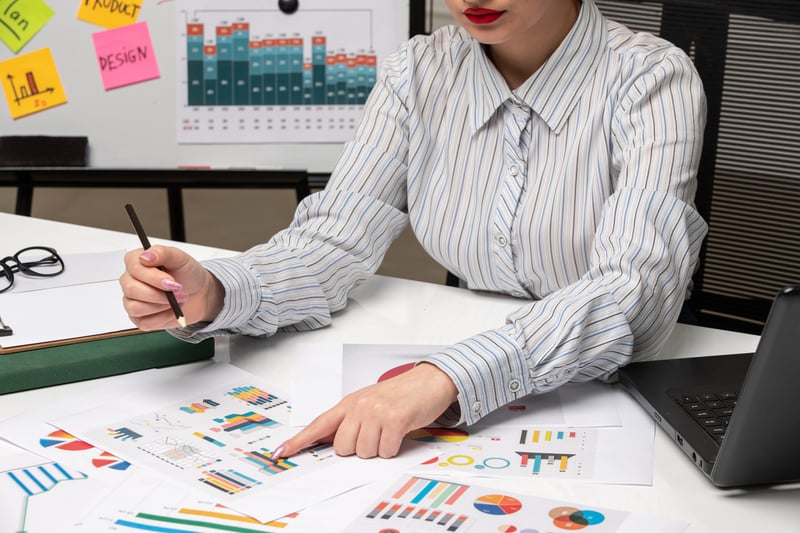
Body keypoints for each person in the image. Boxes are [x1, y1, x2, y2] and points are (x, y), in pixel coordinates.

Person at [120, 0, 707, 461]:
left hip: (605, 390)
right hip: (474, 353)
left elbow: (634, 290)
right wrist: (219, 291)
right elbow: (333, 239)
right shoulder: (419, 70)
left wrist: (446, 377)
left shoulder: (653, 79)